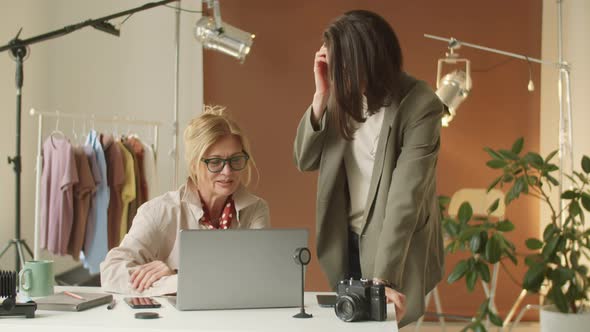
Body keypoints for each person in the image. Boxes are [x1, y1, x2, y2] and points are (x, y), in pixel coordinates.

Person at [293, 10, 444, 327]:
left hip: (397, 248)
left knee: (388, 325)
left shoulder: (420, 104)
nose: (342, 77)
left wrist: (384, 278)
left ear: (375, 61)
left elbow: (407, 198)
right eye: (336, 68)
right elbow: (305, 160)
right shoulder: (339, 95)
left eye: (348, 67)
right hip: (346, 240)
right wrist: (320, 97)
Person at [101, 106, 270, 296]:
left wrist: (180, 275)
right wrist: (172, 283)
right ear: (194, 165)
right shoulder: (159, 212)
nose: (228, 171)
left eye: (236, 159)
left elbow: (258, 275)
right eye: (215, 162)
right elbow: (111, 272)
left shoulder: (255, 209)